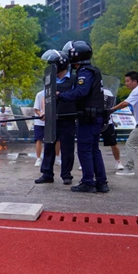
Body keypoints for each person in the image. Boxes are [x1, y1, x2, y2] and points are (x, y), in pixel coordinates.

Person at [57, 40, 108, 193]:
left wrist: (61, 95)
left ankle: (88, 182)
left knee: (84, 150)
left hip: (88, 118)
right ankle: (101, 182)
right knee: (93, 150)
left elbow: (81, 92)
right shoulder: (92, 71)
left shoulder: (85, 72)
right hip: (95, 117)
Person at [35, 50, 76, 185]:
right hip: (52, 119)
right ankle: (47, 174)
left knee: (67, 149)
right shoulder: (49, 78)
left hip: (68, 118)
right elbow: (44, 97)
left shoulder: (74, 79)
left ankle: (66, 175)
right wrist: (43, 112)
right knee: (48, 147)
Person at [33, 89, 45, 167]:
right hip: (39, 122)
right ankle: (38, 158)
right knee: (38, 140)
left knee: (57, 140)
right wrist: (41, 114)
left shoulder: (57, 93)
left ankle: (57, 157)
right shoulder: (39, 94)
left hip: (51, 122)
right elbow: (36, 108)